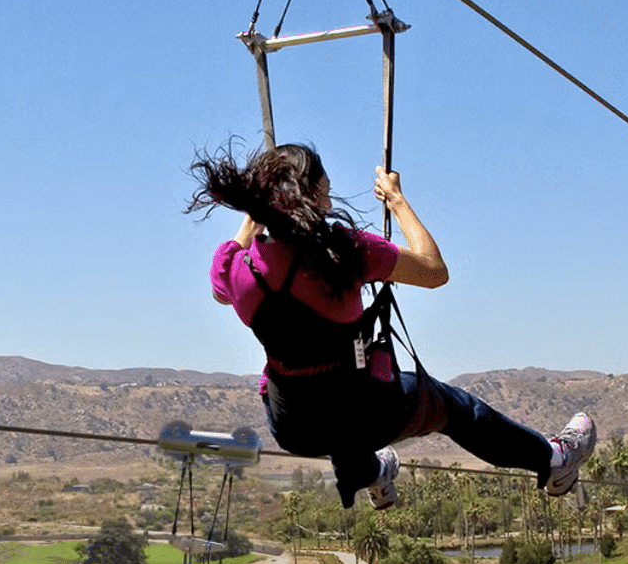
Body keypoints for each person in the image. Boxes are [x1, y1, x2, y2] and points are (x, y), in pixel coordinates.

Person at [187, 143, 596, 510]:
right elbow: (435, 271)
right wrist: (397, 200)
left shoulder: (240, 272)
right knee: (454, 408)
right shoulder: (345, 253)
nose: (330, 195)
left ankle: (373, 476)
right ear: (310, 195)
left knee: (327, 411)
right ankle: (554, 460)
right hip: (366, 414)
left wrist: (254, 219)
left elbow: (219, 289)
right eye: (326, 188)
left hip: (293, 427)